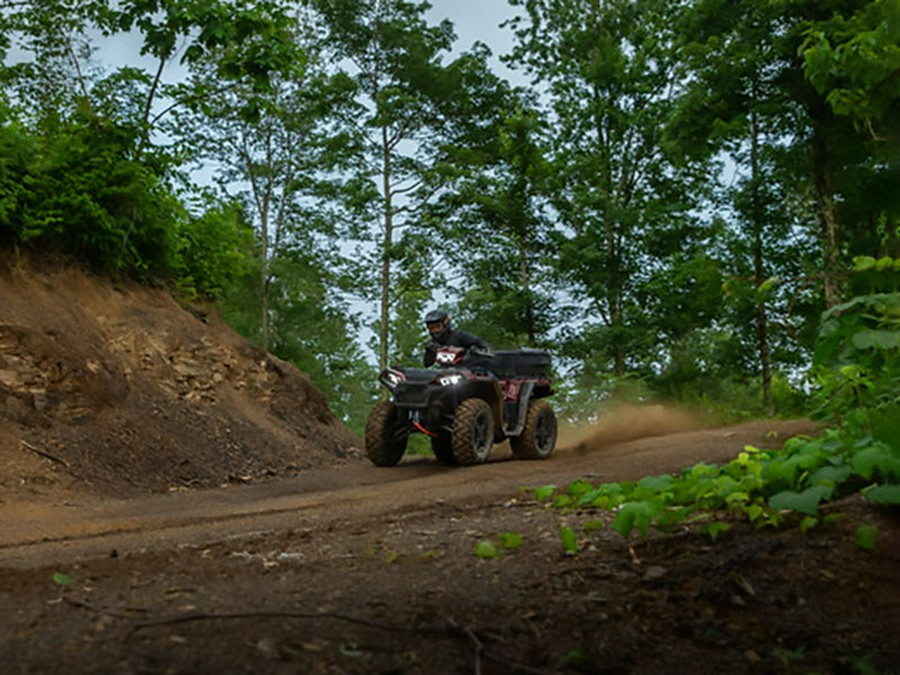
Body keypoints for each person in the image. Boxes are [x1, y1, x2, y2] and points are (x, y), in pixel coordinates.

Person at [422, 308, 491, 367]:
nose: (435, 330)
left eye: (438, 326)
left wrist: (474, 352)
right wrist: (431, 351)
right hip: (448, 372)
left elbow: (485, 346)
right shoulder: (433, 344)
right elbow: (427, 363)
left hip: (468, 369)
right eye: (431, 328)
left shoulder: (459, 335)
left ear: (445, 324)